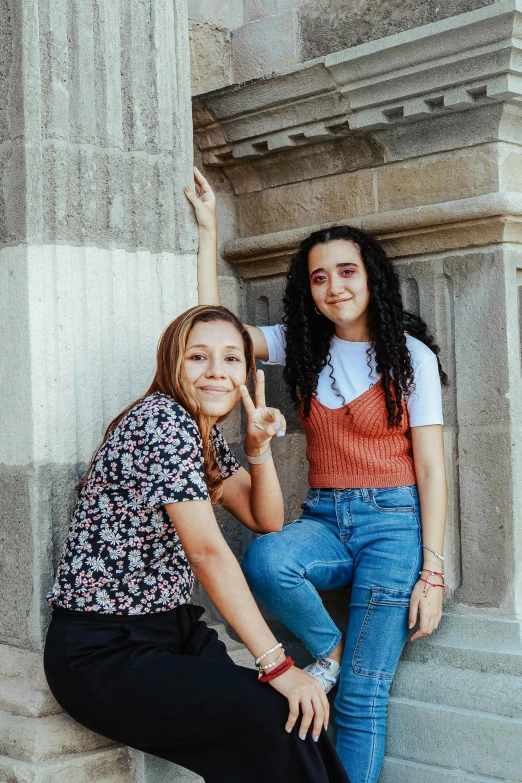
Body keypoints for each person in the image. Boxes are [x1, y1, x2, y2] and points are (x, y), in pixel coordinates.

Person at [187, 167, 448, 783]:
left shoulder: (412, 357)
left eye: (346, 271)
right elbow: (211, 328)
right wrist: (208, 231)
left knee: (360, 698)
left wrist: (431, 570)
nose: (333, 286)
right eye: (319, 277)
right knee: (268, 559)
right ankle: (329, 650)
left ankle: (342, 676)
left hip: (394, 524)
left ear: (371, 277)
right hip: (326, 517)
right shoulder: (302, 345)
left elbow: (431, 466)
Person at [44, 303, 350, 783]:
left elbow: (264, 518)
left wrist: (257, 450)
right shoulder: (161, 422)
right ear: (173, 363)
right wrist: (277, 664)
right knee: (278, 715)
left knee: (291, 721)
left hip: (170, 632)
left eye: (232, 359)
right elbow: (206, 552)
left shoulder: (198, 432)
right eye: (198, 357)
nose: (217, 372)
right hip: (102, 652)